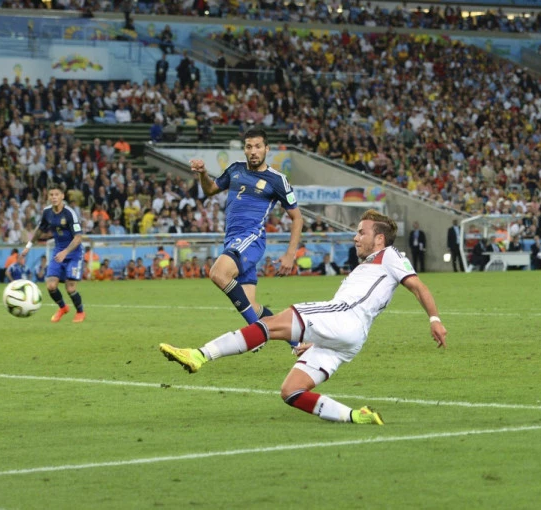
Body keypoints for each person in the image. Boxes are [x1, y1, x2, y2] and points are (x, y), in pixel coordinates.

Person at [160, 210, 447, 425]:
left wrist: (434, 319)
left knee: (270, 325)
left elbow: (418, 286)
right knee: (291, 391)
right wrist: (317, 339)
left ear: (379, 238)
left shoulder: (391, 255)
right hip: (349, 337)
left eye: (362, 232)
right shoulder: (370, 265)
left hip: (344, 317)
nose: (356, 237)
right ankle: (355, 416)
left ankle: (199, 355)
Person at [190, 127, 303, 329]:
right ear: (244, 149)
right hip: (232, 240)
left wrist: (290, 254)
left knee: (218, 273)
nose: (253, 151)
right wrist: (203, 174)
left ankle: (257, 333)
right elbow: (210, 190)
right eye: (249, 147)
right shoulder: (235, 169)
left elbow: (297, 218)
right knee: (252, 306)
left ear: (267, 149)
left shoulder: (277, 180)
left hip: (251, 238)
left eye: (258, 146)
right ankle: (297, 341)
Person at [22, 182, 85, 323]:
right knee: (51, 286)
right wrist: (28, 245)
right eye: (51, 195)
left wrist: (65, 252)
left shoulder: (70, 213)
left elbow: (78, 238)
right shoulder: (47, 212)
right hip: (58, 251)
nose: (54, 197)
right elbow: (40, 230)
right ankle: (63, 308)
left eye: (57, 194)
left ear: (62, 196)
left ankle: (80, 312)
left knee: (70, 288)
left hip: (74, 253)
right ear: (48, 197)